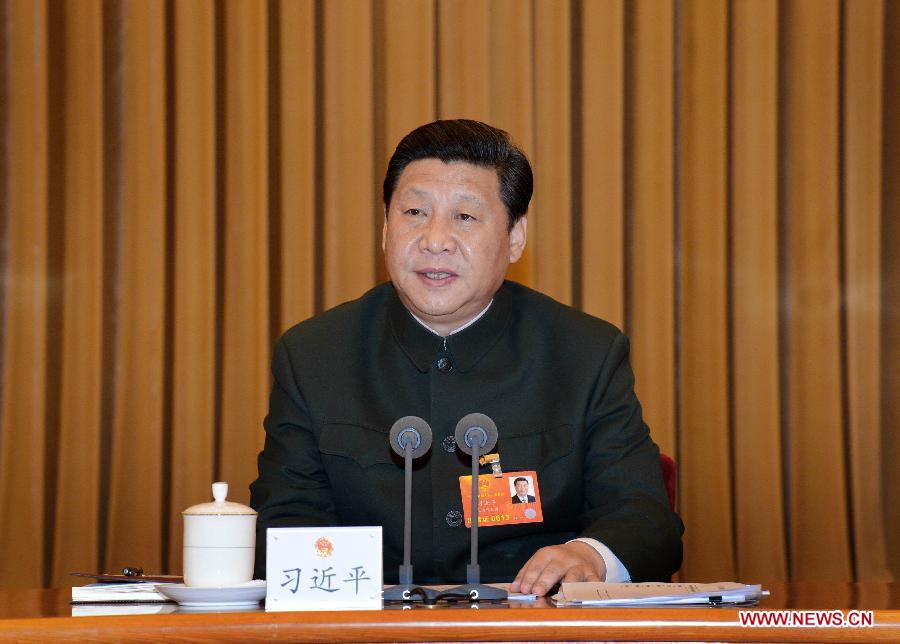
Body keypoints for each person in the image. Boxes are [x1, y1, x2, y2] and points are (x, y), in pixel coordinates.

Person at [250, 119, 683, 595]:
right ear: (385, 230)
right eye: (414, 212)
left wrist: (590, 556)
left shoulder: (584, 354)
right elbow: (283, 523)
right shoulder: (314, 355)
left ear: (515, 237)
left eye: (465, 217)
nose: (435, 239)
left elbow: (645, 517)